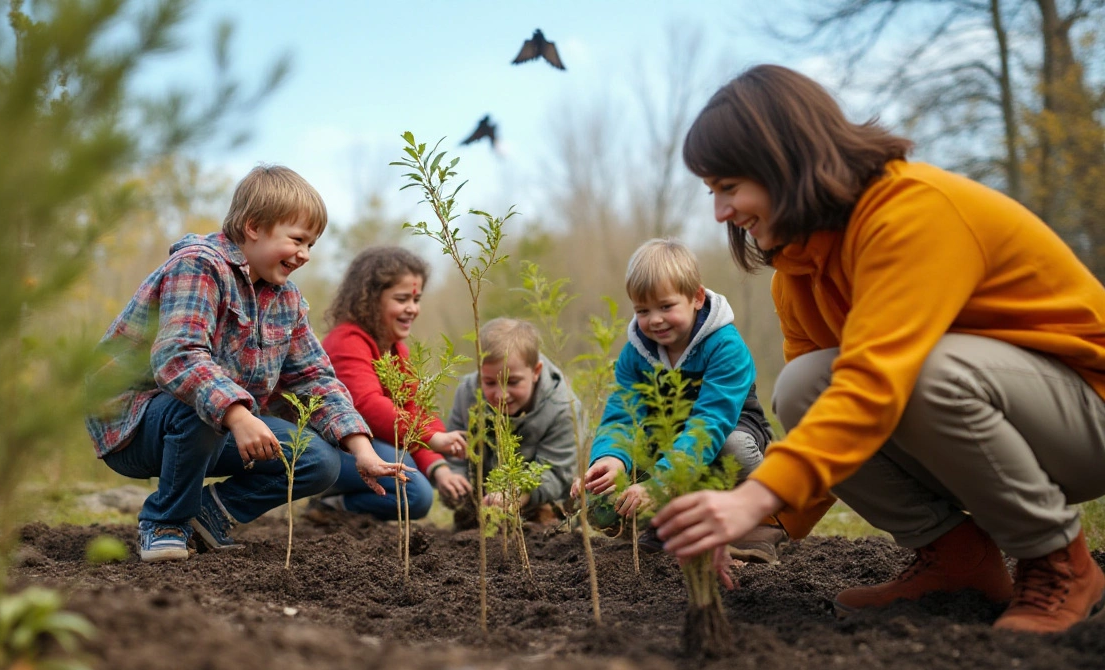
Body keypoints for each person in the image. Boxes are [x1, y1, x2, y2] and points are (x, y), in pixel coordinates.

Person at [655, 63, 1105, 633]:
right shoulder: (798, 272)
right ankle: (959, 561)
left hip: (1087, 413)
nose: (720, 212)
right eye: (712, 191)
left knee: (924, 371)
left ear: (782, 163)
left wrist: (753, 497)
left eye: (728, 187)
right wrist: (765, 515)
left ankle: (1061, 562)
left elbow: (876, 380)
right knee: (803, 387)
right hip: (1005, 423)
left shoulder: (911, 213)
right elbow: (832, 412)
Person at [86, 165, 401, 562]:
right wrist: (237, 415)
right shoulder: (199, 265)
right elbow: (178, 356)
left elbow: (314, 378)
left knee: (318, 461)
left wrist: (361, 448)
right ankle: (165, 520)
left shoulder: (286, 298)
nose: (304, 254)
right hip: (135, 426)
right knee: (200, 405)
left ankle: (207, 513)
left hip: (218, 427)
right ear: (254, 226)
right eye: (298, 240)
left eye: (312, 245)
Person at [571, 238, 784, 562]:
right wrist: (610, 458)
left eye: (666, 307)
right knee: (618, 478)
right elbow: (622, 414)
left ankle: (756, 520)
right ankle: (668, 521)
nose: (655, 320)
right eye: (643, 310)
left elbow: (709, 424)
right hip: (668, 441)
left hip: (727, 431)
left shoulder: (725, 347)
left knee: (732, 449)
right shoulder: (636, 353)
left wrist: (661, 482)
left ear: (696, 297)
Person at [317, 246, 471, 521]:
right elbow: (368, 406)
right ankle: (327, 504)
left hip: (370, 449)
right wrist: (432, 438)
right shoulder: (346, 342)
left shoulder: (398, 352)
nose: (412, 308)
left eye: (416, 299)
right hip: (332, 449)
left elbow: (416, 411)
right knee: (411, 485)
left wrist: (440, 469)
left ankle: (335, 507)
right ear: (370, 300)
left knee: (418, 496)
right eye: (402, 299)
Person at [442, 318, 579, 528]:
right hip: (485, 501)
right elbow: (456, 450)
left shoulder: (562, 407)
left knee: (545, 526)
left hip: (541, 500)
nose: (501, 394)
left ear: (536, 372)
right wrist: (455, 482)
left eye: (512, 382)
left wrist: (518, 493)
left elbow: (556, 474)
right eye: (488, 382)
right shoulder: (468, 393)